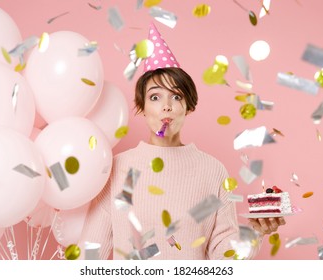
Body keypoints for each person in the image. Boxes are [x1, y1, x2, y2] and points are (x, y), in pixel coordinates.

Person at [78, 22, 285, 260]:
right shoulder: (117, 170)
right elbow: (89, 254)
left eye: (176, 96)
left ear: (188, 107)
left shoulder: (212, 171)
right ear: (143, 108)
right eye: (155, 97)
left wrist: (256, 233)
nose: (166, 105)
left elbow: (224, 258)